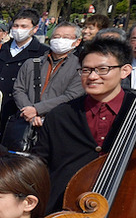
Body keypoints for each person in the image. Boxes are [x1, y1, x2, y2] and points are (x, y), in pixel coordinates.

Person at [32, 33, 133, 212]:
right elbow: (40, 164)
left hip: (124, 212)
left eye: (103, 69)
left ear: (125, 70)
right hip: (63, 211)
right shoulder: (60, 115)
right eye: (86, 70)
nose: (92, 76)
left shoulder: (132, 108)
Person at [5, 20, 83, 152]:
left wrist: (37, 110)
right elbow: (18, 89)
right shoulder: (32, 63)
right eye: (56, 37)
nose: (60, 40)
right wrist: (29, 112)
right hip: (25, 124)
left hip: (57, 126)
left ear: (77, 41)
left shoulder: (81, 68)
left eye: (66, 37)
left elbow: (71, 96)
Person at [0, 10, 47, 134]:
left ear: (35, 29)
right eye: (16, 26)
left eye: (24, 26)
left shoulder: (42, 52)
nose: (18, 29)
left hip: (21, 110)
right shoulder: (0, 48)